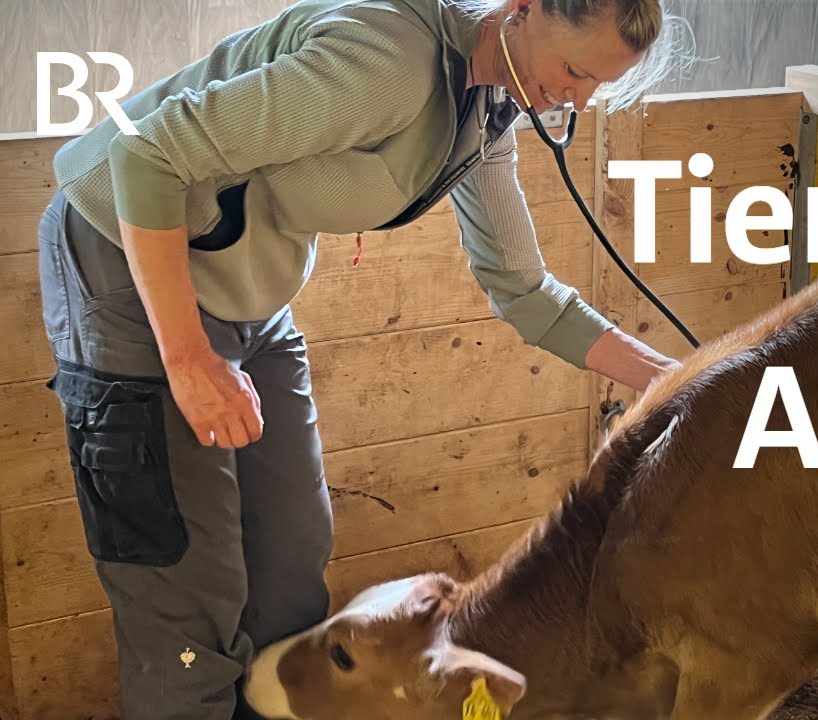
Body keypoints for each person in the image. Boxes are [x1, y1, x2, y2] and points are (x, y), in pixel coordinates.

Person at [36, 0, 693, 717]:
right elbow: (145, 153)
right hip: (131, 277)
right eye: (574, 70)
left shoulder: (482, 111)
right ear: (521, 10)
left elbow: (525, 291)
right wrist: (189, 360)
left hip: (249, 295)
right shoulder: (389, 65)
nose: (578, 97)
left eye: (598, 83)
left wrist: (679, 383)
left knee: (290, 561)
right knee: (188, 592)